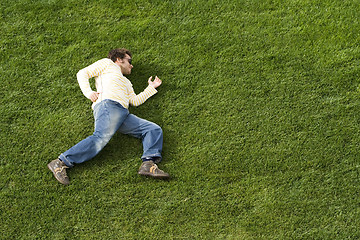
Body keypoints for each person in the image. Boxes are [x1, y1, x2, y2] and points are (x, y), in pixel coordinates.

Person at [48, 48, 169, 185]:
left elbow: (134, 101)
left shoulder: (126, 82)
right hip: (108, 106)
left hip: (122, 113)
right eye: (129, 61)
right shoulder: (107, 64)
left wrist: (151, 88)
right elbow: (82, 73)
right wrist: (89, 92)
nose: (132, 65)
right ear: (118, 59)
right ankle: (60, 162)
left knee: (152, 129)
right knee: (100, 138)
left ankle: (148, 164)